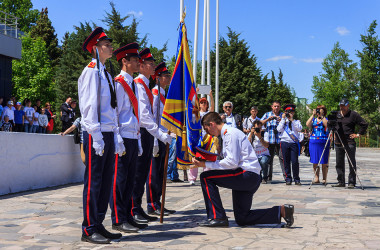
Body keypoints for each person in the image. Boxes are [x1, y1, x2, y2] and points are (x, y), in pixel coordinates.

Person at [192, 112, 294, 228]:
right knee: (242, 218)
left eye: (207, 129)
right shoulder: (228, 134)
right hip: (249, 176)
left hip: (246, 175)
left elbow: (231, 162)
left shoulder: (229, 133)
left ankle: (218, 217)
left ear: (212, 124)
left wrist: (205, 164)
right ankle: (281, 211)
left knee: (206, 177)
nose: (208, 133)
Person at [78, 27, 124, 244]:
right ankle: (88, 228)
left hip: (107, 132)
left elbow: (110, 108)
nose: (110, 47)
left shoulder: (105, 72)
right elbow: (88, 107)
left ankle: (98, 223)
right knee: (94, 182)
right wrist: (95, 135)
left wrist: (115, 135)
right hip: (95, 133)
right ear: (95, 48)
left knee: (106, 182)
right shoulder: (91, 71)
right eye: (106, 44)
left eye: (109, 44)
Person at [131, 48, 172, 224]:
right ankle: (141, 206)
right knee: (144, 174)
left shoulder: (151, 89)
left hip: (155, 133)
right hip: (147, 133)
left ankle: (143, 206)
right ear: (141, 66)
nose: (153, 67)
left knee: (152, 173)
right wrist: (158, 137)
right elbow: (147, 116)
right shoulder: (143, 87)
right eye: (150, 64)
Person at [109, 43, 145, 233]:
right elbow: (115, 111)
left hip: (132, 135)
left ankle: (127, 215)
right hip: (122, 135)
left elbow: (134, 112)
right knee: (119, 180)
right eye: (134, 60)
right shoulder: (119, 83)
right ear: (124, 61)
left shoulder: (133, 84)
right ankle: (118, 218)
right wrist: (117, 137)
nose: (138, 63)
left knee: (130, 179)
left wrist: (138, 138)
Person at [147, 62, 177, 216]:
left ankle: (158, 201)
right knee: (154, 174)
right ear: (157, 78)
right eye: (165, 76)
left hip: (164, 137)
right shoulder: (155, 93)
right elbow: (152, 118)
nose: (169, 77)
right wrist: (154, 140)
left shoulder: (164, 94)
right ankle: (152, 204)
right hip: (156, 137)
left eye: (168, 75)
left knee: (161, 173)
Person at [332, 98, 368, 188]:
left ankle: (351, 182)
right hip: (338, 142)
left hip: (349, 142)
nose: (342, 107)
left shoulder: (353, 114)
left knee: (351, 162)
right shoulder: (336, 114)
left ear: (348, 105)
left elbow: (364, 124)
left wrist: (358, 134)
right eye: (341, 105)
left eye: (344, 106)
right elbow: (330, 125)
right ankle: (341, 181)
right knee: (339, 163)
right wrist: (332, 132)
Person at [188, 90, 215, 185]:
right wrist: (195, 94)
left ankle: (206, 176)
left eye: (205, 103)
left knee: (207, 157)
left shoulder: (208, 114)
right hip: (197, 138)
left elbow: (212, 108)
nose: (203, 104)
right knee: (196, 158)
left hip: (207, 138)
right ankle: (192, 178)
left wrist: (211, 97)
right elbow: (190, 106)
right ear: (199, 104)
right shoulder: (196, 113)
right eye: (202, 102)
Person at [277, 104, 303, 185]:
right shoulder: (283, 121)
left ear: (293, 113)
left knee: (295, 161)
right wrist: (283, 119)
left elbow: (299, 129)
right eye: (288, 112)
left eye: (291, 112)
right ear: (284, 112)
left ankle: (296, 178)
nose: (289, 113)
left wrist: (292, 120)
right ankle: (288, 178)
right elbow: (278, 129)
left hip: (293, 143)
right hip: (284, 142)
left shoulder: (296, 121)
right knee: (286, 161)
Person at [260, 101, 285, 182]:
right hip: (269, 141)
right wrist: (268, 119)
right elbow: (259, 123)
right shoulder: (267, 114)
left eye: (278, 106)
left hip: (280, 140)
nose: (276, 108)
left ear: (280, 107)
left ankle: (286, 177)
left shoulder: (282, 115)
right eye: (275, 106)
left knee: (282, 158)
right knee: (269, 159)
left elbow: (287, 126)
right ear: (272, 107)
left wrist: (282, 120)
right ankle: (267, 177)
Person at [306, 105, 330, 184]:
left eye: (321, 110)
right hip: (314, 141)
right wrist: (313, 115)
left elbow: (327, 125)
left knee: (324, 161)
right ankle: (316, 178)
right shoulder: (313, 119)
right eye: (318, 110)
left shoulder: (326, 119)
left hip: (324, 142)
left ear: (324, 111)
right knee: (315, 160)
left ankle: (324, 178)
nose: (319, 111)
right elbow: (307, 124)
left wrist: (322, 116)